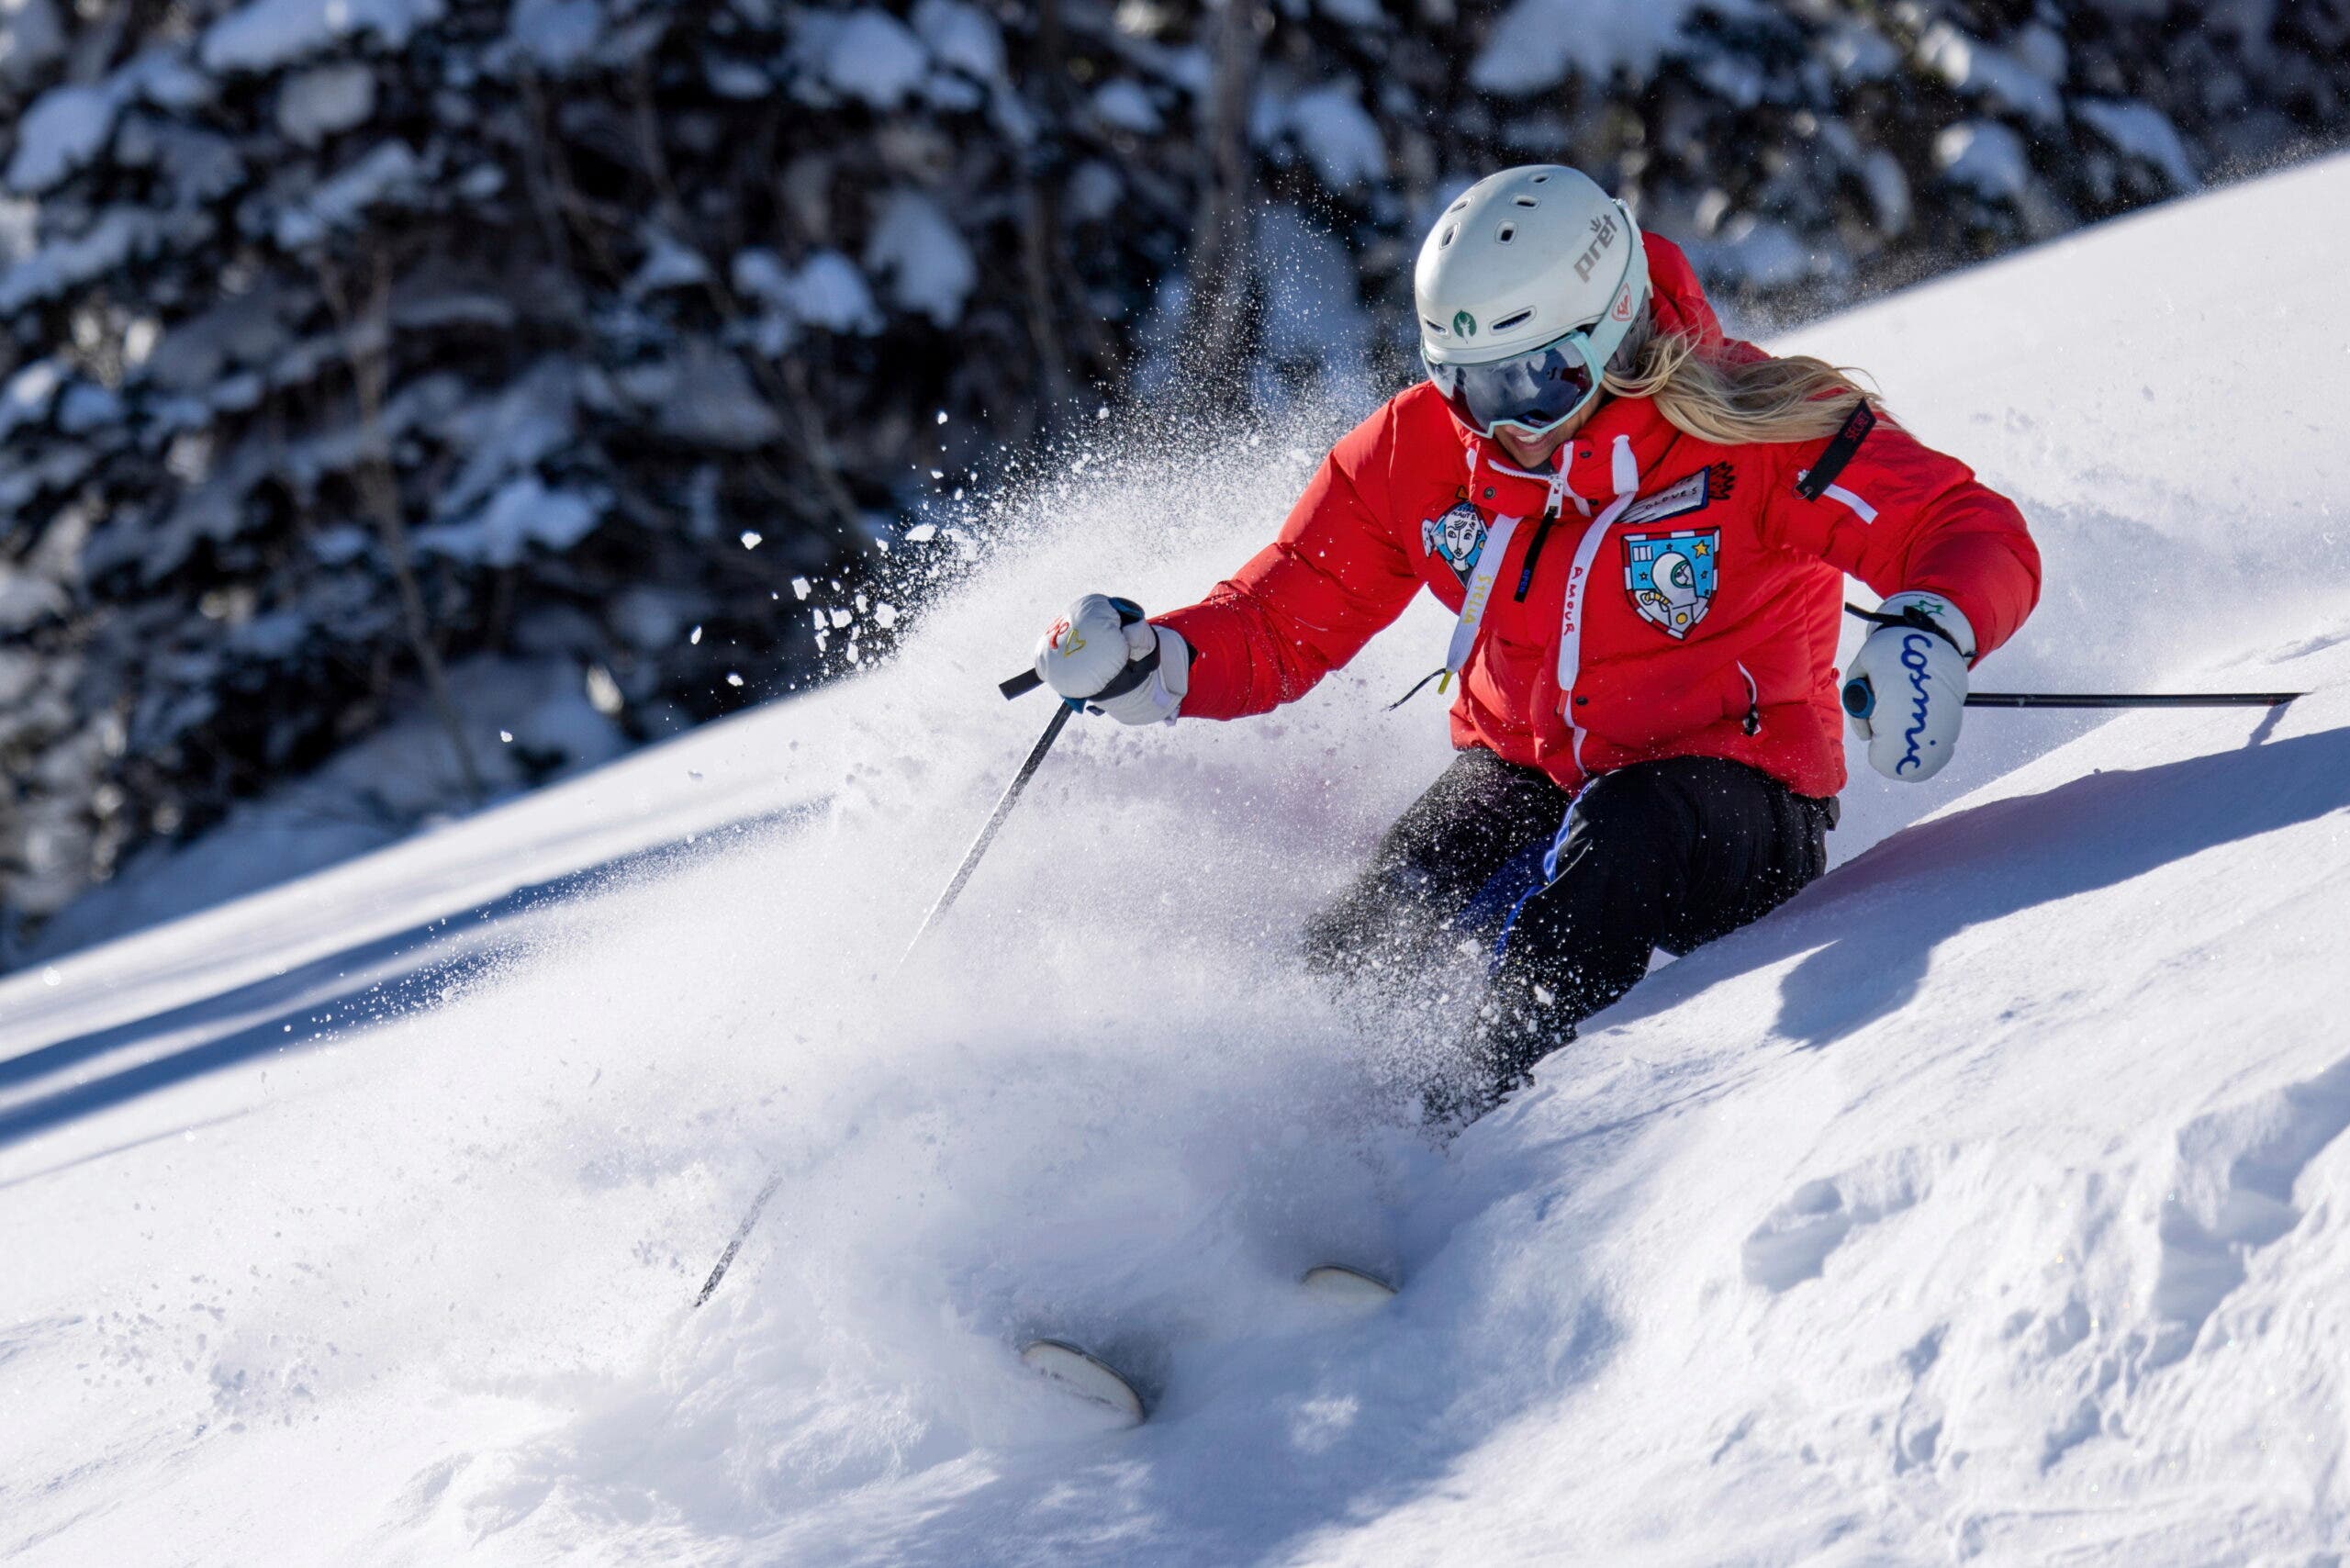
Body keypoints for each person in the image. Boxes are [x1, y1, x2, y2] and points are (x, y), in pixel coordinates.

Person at [1033, 165, 2040, 1127]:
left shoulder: (1757, 430)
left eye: (1535, 379)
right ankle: (1280, 1151)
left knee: (1618, 839)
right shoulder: (1424, 451)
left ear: (1609, 332)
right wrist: (1157, 661)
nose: (1503, 421)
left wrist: (1931, 629)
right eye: (1465, 382)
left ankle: (1458, 1149)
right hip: (1529, 773)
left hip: (1734, 803)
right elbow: (1282, 617)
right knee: (1387, 917)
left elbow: (1962, 528)